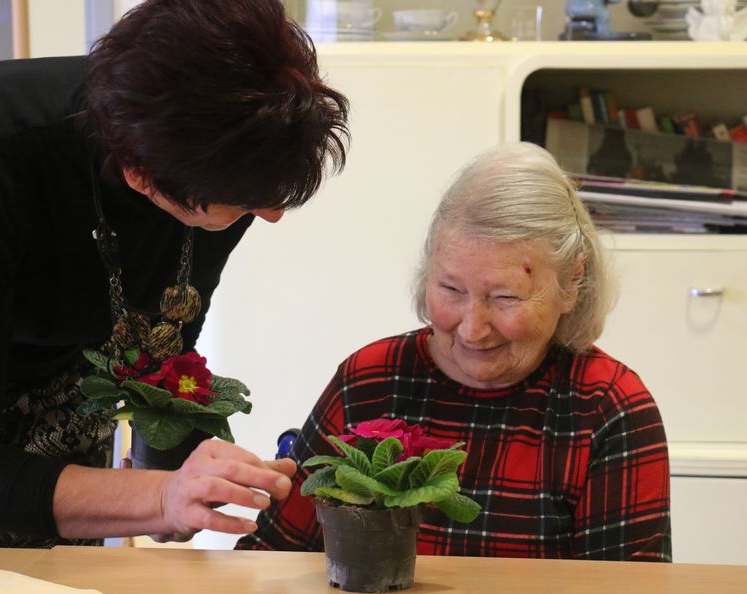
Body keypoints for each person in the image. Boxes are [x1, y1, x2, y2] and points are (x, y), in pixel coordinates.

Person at [0, 0, 349, 547]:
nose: (270, 215)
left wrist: (179, 484)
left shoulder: (225, 154)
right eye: (246, 202)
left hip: (59, 382)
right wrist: (159, 499)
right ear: (140, 175)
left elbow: (165, 348)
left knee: (62, 587)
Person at [238, 142, 671, 561]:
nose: (472, 328)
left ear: (572, 281)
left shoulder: (607, 406)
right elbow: (271, 557)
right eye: (450, 289)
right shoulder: (370, 380)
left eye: (505, 297)